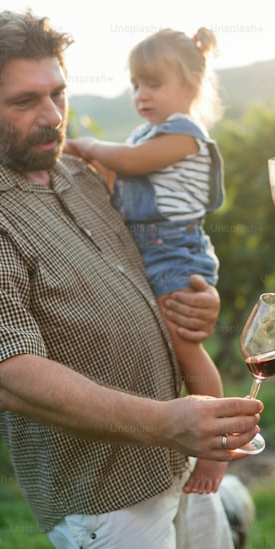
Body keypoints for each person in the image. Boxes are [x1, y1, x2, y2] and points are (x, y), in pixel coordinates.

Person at [0, 9, 261, 549]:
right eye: (25, 102)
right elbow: (11, 377)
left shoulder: (77, 170)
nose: (52, 117)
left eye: (58, 94)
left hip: (180, 457)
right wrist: (165, 421)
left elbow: (153, 264)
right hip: (106, 495)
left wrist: (198, 302)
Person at [65, 26, 228, 494]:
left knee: (185, 346)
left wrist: (94, 148)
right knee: (165, 348)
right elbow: (123, 184)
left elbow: (132, 164)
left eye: (153, 85)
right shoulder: (145, 134)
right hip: (149, 251)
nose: (141, 95)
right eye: (136, 85)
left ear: (191, 84)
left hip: (175, 251)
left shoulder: (184, 135)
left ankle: (215, 451)